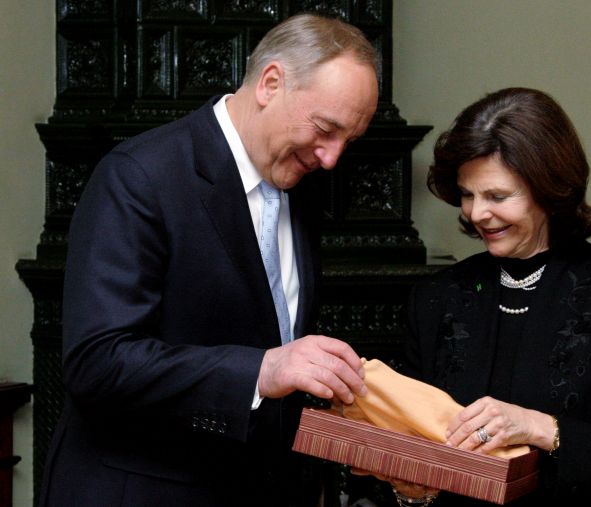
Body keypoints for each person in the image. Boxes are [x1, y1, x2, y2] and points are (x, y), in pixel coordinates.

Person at [39, 14, 379, 507]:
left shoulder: (300, 182)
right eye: (326, 129)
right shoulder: (139, 176)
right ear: (270, 83)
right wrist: (261, 370)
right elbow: (96, 362)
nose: (332, 158)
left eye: (350, 140)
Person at [393, 87, 591, 506]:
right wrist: (410, 491)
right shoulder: (435, 298)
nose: (476, 213)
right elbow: (407, 448)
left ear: (549, 190)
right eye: (467, 194)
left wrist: (539, 427)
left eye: (497, 196)